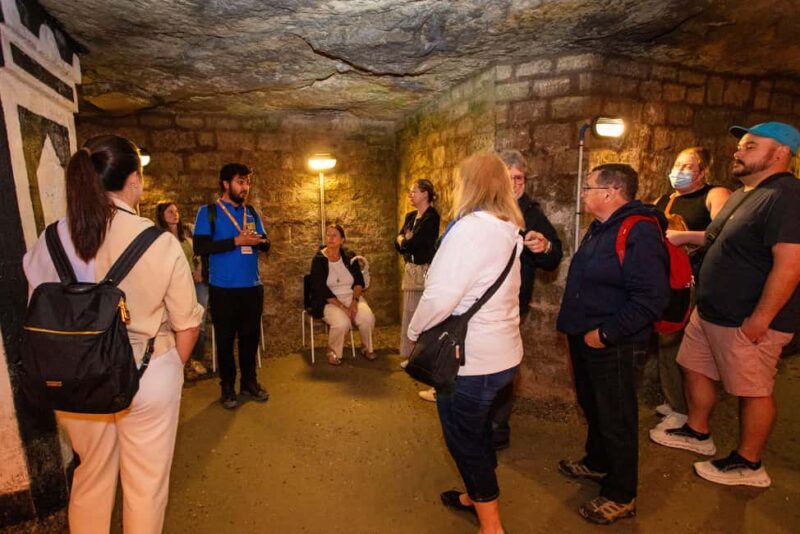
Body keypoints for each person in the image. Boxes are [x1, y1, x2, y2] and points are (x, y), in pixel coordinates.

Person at [23, 135, 202, 533]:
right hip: (145, 372)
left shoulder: (48, 241)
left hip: (73, 377)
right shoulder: (159, 243)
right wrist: (169, 367)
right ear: (134, 179)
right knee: (145, 486)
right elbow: (187, 324)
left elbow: (37, 310)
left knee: (90, 474)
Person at [651, 122, 800, 488]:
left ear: (781, 153)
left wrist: (760, 319)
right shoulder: (745, 193)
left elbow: (790, 264)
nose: (738, 151)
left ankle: (749, 463)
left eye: (750, 146)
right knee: (693, 366)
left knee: (753, 389)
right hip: (712, 311)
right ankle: (698, 431)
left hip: (746, 317)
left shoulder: (787, 197)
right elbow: (718, 237)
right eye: (740, 145)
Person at [408, 153, 523, 534]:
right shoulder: (508, 228)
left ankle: (492, 526)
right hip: (504, 353)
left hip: (471, 360)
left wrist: (414, 332)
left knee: (464, 440)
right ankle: (475, 497)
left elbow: (440, 297)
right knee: (480, 430)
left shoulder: (469, 229)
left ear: (469, 185)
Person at [556, 163, 669, 525]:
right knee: (594, 404)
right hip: (586, 337)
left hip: (614, 343)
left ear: (610, 192)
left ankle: (622, 495)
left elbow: (651, 298)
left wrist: (606, 334)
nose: (583, 193)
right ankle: (597, 462)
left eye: (588, 187)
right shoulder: (601, 227)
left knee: (616, 416)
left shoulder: (639, 231)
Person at [650, 148, 731, 432]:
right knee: (666, 339)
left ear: (702, 171)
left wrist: (684, 236)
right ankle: (675, 399)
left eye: (687, 166)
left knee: (685, 346)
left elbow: (724, 233)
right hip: (667, 278)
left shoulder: (714, 194)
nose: (679, 171)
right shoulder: (665, 200)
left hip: (694, 279)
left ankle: (684, 410)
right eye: (677, 164)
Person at [490, 149, 563, 450]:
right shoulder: (483, 209)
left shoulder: (531, 213)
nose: (515, 184)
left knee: (502, 364)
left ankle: (497, 429)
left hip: (511, 304)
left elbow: (554, 255)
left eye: (519, 178)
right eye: (509, 178)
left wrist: (545, 247)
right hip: (479, 303)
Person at [193, 163, 270, 409]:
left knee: (250, 339)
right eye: (240, 182)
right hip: (223, 289)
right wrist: (236, 241)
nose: (245, 187)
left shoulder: (251, 212)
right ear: (226, 184)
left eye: (247, 182)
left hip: (252, 287)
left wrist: (259, 241)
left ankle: (249, 382)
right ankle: (227, 387)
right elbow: (201, 246)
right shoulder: (209, 212)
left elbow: (266, 243)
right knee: (225, 341)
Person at [395, 179, 441, 401]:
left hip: (424, 271)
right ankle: (411, 356)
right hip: (411, 270)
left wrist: (404, 241)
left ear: (425, 194)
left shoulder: (432, 218)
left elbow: (416, 244)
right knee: (410, 311)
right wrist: (403, 240)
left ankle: (420, 358)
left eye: (414, 191)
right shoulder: (410, 217)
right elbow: (398, 244)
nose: (410, 195)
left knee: (423, 315)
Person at [310, 224, 376, 365]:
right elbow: (321, 289)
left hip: (351, 296)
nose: (330, 238)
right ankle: (333, 351)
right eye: (328, 235)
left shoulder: (349, 256)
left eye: (334, 235)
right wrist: (343, 307)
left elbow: (358, 282)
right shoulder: (318, 260)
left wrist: (354, 302)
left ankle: (366, 347)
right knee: (342, 323)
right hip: (329, 301)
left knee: (367, 318)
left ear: (342, 240)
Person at [156, 201, 209, 376]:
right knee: (176, 322)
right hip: (175, 287)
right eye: (170, 212)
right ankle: (178, 361)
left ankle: (196, 358)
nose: (175, 214)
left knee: (199, 320)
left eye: (176, 211)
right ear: (162, 216)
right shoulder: (160, 239)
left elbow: (199, 255)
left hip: (197, 283)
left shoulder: (186, 235)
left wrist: (199, 270)